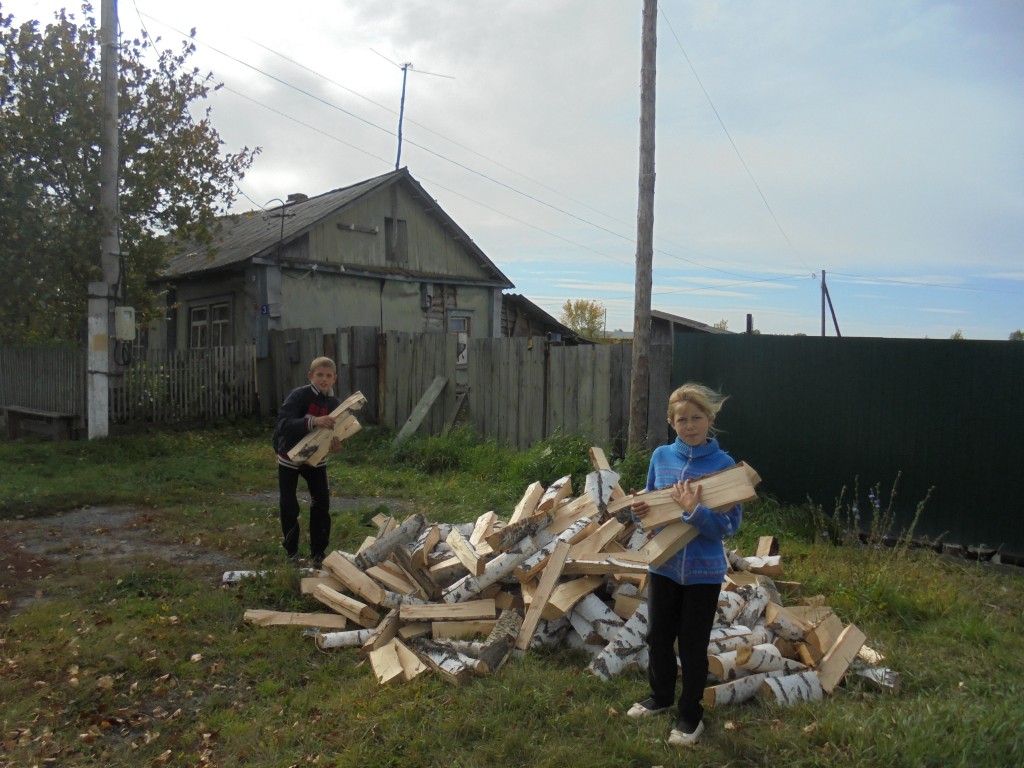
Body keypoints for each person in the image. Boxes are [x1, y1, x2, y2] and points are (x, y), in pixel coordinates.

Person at [626, 382, 743, 747]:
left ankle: (690, 715)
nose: (690, 426)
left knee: (692, 646)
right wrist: (639, 510)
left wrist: (694, 511)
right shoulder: (661, 457)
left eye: (696, 418)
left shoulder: (724, 467)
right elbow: (650, 507)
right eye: (682, 420)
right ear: (671, 422)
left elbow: (729, 526)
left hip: (703, 573)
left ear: (710, 419)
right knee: (658, 637)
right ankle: (661, 697)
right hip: (663, 565)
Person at [272, 357, 343, 567]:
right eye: (319, 375)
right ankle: (291, 552)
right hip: (290, 457)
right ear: (310, 376)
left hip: (315, 460)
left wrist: (336, 444)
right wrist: (313, 421)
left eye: (328, 376)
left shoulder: (335, 404)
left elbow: (337, 432)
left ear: (335, 378)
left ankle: (318, 554)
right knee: (289, 505)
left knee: (321, 504)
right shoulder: (299, 395)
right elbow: (284, 423)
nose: (323, 379)